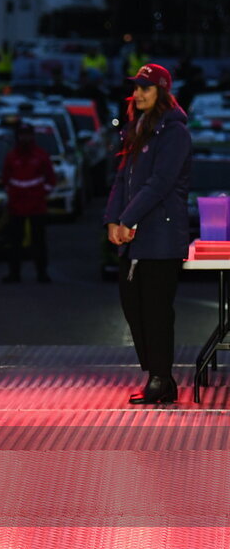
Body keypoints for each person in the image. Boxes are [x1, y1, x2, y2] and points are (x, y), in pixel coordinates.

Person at [103, 63, 191, 404]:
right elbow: (120, 180)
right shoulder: (136, 129)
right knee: (133, 305)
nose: (138, 93)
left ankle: (160, 378)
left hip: (162, 237)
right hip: (136, 236)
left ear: (163, 93)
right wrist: (112, 220)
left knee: (156, 309)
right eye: (137, 87)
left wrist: (126, 219)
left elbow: (160, 184)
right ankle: (158, 375)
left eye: (146, 88)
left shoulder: (175, 133)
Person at [1, 123, 56, 283]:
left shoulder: (41, 155)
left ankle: (42, 273)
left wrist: (40, 193)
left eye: (27, 134)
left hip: (37, 206)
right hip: (16, 206)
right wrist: (12, 193)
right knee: (14, 242)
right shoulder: (11, 156)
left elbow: (50, 179)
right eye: (22, 134)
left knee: (39, 242)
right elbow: (5, 178)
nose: (24, 138)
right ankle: (14, 273)